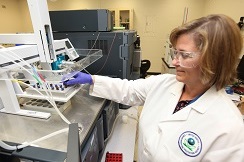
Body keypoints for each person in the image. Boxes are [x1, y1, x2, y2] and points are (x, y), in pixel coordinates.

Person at [62, 14, 244, 162]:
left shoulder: (230, 128)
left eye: (185, 55)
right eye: (176, 52)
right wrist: (91, 80)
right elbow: (129, 90)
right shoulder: (165, 83)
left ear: (213, 60)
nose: (174, 61)